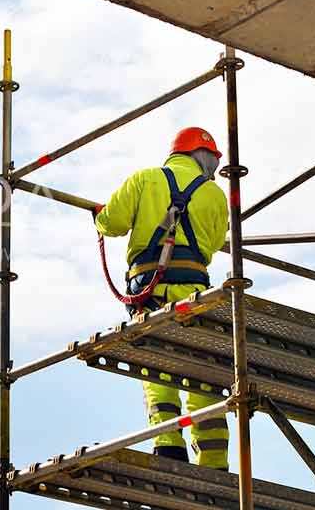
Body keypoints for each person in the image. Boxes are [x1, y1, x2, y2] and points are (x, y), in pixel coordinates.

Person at [93, 127, 230, 470]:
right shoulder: (214, 194)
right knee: (203, 372)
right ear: (204, 156)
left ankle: (168, 445)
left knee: (158, 367)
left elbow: (112, 223)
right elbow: (213, 243)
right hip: (195, 289)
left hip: (148, 291)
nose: (215, 166)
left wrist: (99, 215)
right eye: (214, 159)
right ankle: (214, 462)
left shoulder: (144, 179)